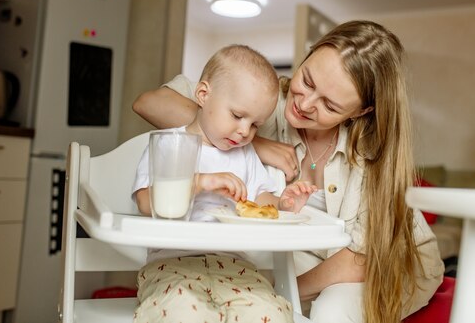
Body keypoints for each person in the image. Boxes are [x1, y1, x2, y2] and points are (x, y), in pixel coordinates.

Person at [133, 20, 445, 323]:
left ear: (361, 111)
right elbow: (151, 103)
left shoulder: (372, 154)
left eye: (330, 105)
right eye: (307, 80)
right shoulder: (262, 100)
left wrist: (278, 291)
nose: (305, 104)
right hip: (307, 254)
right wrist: (257, 142)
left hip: (385, 262)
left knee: (330, 311)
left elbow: (360, 259)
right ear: (309, 54)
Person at [132, 44, 316, 323]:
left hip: (237, 268)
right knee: (181, 314)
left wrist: (285, 203)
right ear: (203, 95)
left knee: (274, 314)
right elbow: (145, 202)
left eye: (255, 125)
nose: (245, 132)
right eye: (237, 116)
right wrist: (202, 182)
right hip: (171, 266)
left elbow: (261, 201)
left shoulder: (245, 155)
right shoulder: (169, 145)